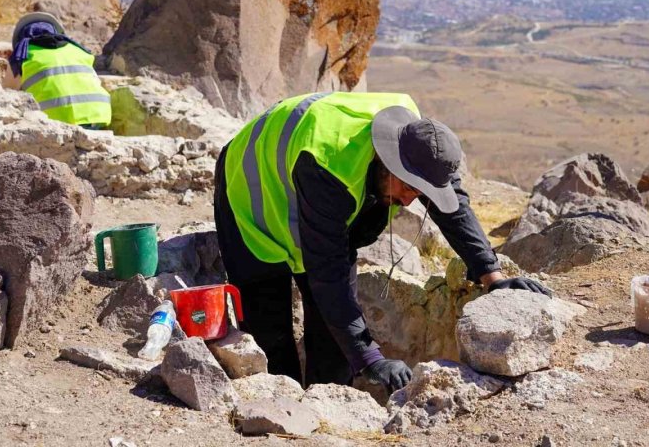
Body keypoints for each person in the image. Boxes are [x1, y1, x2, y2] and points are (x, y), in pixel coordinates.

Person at [213, 92, 549, 393]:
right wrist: (371, 359)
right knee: (269, 328)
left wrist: (492, 276)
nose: (407, 201)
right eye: (407, 187)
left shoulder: (421, 143)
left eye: (418, 193)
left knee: (334, 338)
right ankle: (277, 412)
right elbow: (327, 272)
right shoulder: (330, 163)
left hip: (309, 192)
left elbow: (453, 206)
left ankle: (329, 409)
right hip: (250, 190)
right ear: (387, 161)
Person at [8, 12, 111, 129]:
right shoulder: (78, 49)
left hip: (58, 122)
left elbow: (7, 95)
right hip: (99, 116)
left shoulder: (22, 54)